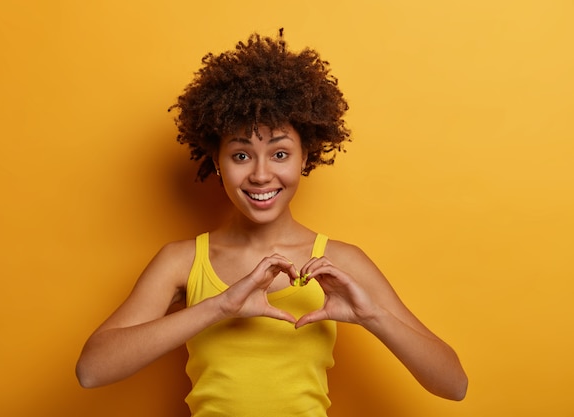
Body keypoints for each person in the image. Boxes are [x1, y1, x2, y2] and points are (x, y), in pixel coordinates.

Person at [76, 30, 468, 416]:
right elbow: (92, 370)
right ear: (216, 161)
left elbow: (453, 385)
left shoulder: (340, 262)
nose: (261, 175)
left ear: (305, 158)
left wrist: (373, 317)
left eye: (280, 154)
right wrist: (219, 307)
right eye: (241, 156)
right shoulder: (182, 261)